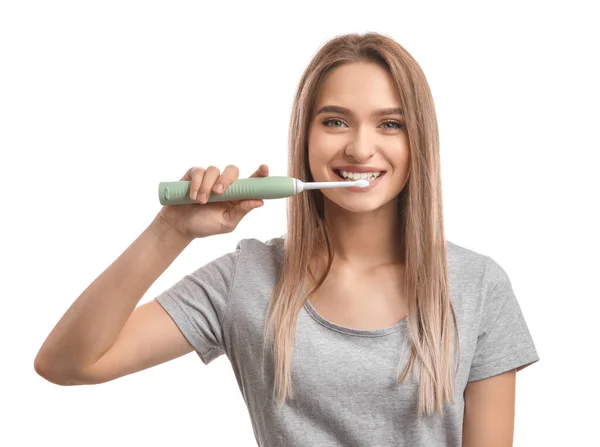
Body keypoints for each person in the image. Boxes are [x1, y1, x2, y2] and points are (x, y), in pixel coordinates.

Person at [34, 32, 539, 446]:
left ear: (418, 142)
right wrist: (171, 230)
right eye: (335, 121)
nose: (361, 147)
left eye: (390, 124)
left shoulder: (478, 286)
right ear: (305, 137)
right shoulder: (245, 280)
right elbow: (68, 363)